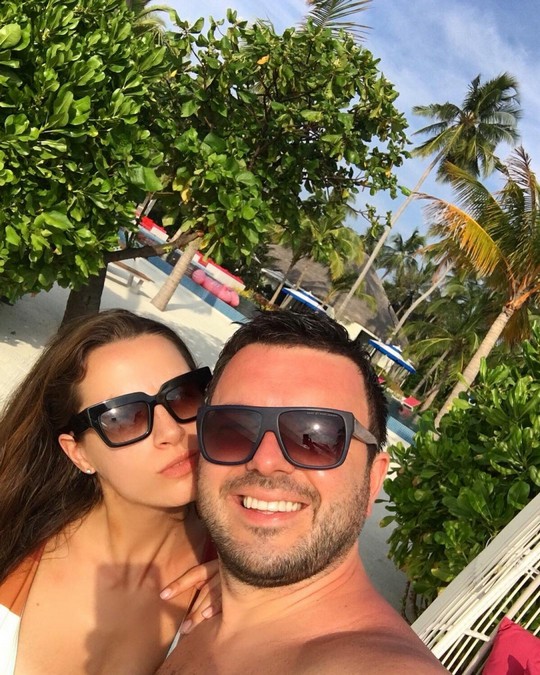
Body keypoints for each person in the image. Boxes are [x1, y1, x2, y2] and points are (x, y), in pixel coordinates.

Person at [158, 310, 446, 674]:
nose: (265, 461)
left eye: (316, 437)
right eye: (233, 428)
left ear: (373, 480)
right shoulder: (198, 600)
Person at [0, 309, 218, 675]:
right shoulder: (11, 541)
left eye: (183, 396)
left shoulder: (232, 582)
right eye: (123, 418)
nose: (171, 433)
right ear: (78, 453)